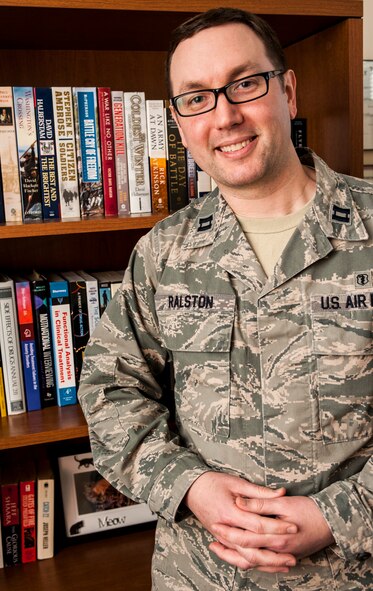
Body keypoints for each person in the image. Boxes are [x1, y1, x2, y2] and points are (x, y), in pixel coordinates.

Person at [78, 7, 373, 590]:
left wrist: (340, 514)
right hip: (199, 576)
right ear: (179, 121)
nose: (226, 116)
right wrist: (191, 486)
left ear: (287, 89)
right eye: (197, 98)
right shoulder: (163, 253)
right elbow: (109, 388)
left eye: (244, 83)